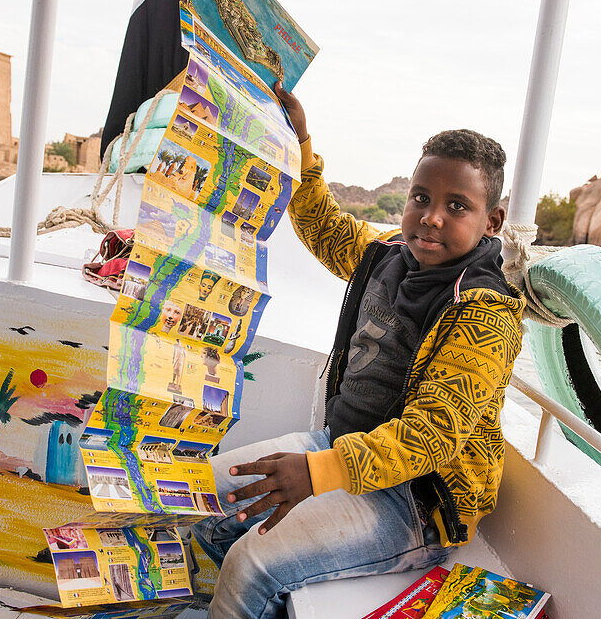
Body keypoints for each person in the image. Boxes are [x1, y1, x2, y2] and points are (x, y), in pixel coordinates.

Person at [191, 84, 526, 618]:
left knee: (252, 565)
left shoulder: (485, 312)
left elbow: (432, 436)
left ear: (492, 222)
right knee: (194, 503)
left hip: (417, 501)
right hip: (337, 446)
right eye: (421, 198)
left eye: (456, 206)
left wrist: (316, 473)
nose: (431, 217)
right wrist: (300, 141)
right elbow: (325, 228)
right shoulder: (391, 253)